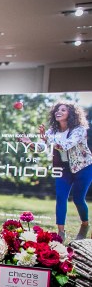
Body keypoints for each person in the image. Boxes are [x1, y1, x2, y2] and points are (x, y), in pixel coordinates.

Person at [38, 102, 92, 239]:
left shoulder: (79, 129)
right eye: (57, 109)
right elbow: (41, 147)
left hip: (83, 167)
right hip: (63, 168)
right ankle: (61, 233)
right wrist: (29, 143)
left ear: (71, 114)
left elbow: (66, 145)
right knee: (61, 197)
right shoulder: (52, 131)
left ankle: (85, 224)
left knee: (78, 199)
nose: (58, 111)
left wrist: (47, 139)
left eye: (63, 110)